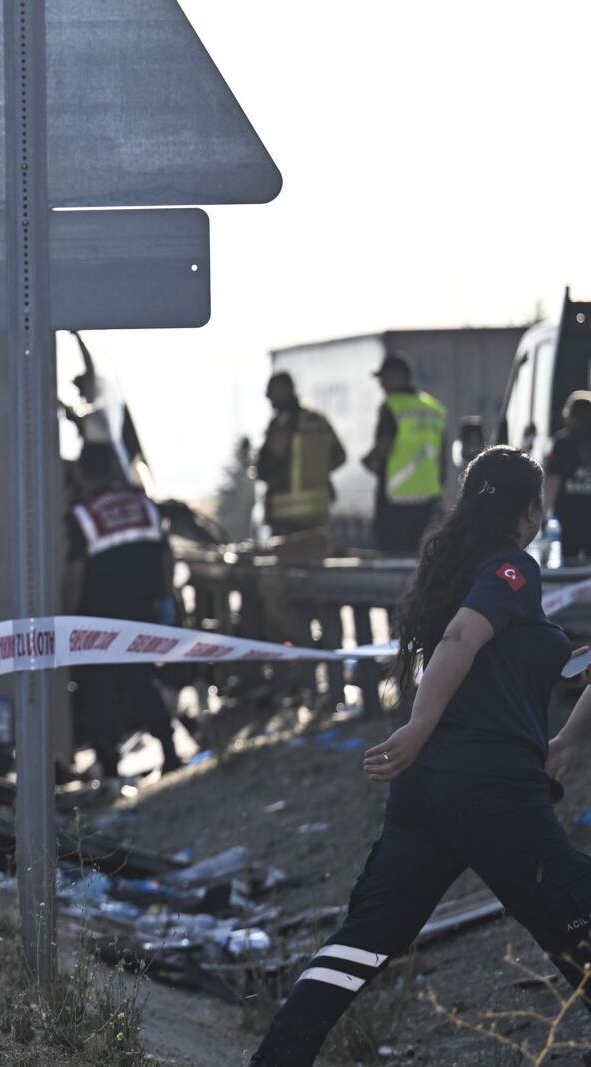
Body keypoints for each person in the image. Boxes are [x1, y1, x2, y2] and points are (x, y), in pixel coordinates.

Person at [251, 446, 591, 1065]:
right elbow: (464, 636)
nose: (541, 518)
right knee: (574, 911)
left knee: (363, 942)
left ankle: (277, 1057)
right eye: (537, 505)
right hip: (494, 792)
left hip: (428, 795)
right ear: (521, 510)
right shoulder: (511, 570)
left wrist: (563, 738)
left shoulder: (455, 572)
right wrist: (416, 726)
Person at [64, 442, 182, 778]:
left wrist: (66, 616)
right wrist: (166, 597)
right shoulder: (143, 505)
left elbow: (75, 574)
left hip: (99, 616)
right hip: (142, 610)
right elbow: (165, 555)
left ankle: (111, 767)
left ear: (82, 473)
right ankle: (170, 752)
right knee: (142, 681)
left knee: (100, 688)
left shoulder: (83, 515)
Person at [361, 351, 447, 553]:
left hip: (396, 499)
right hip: (428, 497)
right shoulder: (434, 408)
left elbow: (384, 446)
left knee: (393, 554)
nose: (381, 385)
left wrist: (367, 459)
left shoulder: (392, 406)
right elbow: (442, 456)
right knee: (421, 554)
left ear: (396, 376)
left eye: (383, 379)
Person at [255, 372, 346, 539]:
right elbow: (340, 456)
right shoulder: (318, 420)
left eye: (271, 391)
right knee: (315, 557)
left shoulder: (281, 424)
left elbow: (265, 466)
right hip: (317, 511)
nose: (267, 396)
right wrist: (316, 474)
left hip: (285, 513)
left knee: (287, 561)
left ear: (285, 390)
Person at [544, 390, 591, 562]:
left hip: (569, 517)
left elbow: (553, 483)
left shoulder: (562, 443)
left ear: (569, 414)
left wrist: (543, 513)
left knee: (570, 564)